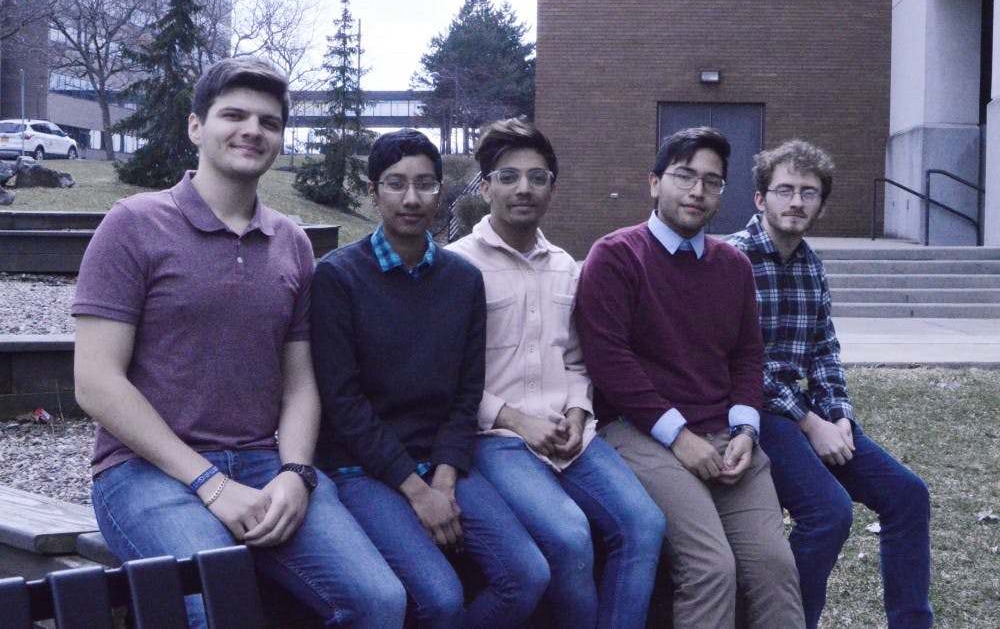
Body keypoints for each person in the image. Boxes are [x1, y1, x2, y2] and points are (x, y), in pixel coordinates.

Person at [72, 58, 405, 628]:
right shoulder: (132, 225)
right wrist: (208, 482)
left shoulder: (292, 242)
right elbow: (96, 383)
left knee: (380, 602)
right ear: (196, 127)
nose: (253, 129)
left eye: (269, 121)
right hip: (146, 471)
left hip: (263, 463)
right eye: (234, 115)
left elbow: (301, 382)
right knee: (219, 610)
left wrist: (297, 474)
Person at [310, 128, 549, 628]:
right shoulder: (339, 277)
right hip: (363, 470)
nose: (412, 198)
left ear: (442, 189)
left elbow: (466, 394)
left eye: (425, 184)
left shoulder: (462, 280)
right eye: (396, 184)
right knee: (439, 598)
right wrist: (417, 494)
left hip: (443, 465)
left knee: (526, 575)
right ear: (372, 192)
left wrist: (442, 479)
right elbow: (343, 403)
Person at [575, 126, 804, 628]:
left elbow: (747, 357)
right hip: (638, 433)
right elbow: (610, 363)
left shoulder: (733, 265)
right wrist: (678, 437)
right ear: (654, 183)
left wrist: (746, 429)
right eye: (684, 176)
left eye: (712, 181)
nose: (698, 191)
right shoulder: (616, 255)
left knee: (774, 565)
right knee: (711, 567)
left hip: (726, 434)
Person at [446, 118, 666, 628]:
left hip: (573, 435)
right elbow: (445, 378)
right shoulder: (456, 268)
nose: (524, 188)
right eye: (508, 176)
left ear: (552, 188)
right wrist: (520, 423)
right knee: (569, 535)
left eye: (538, 177)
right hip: (496, 439)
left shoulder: (567, 267)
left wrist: (575, 410)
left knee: (644, 524)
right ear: (485, 187)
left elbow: (576, 359)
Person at [725, 139, 932, 629]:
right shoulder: (731, 260)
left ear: (821, 203)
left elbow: (825, 351)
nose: (797, 201)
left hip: (811, 413)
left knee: (908, 495)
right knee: (829, 513)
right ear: (760, 198)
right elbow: (738, 362)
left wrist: (838, 416)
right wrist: (808, 421)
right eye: (785, 190)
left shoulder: (811, 265)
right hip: (756, 413)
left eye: (809, 192)